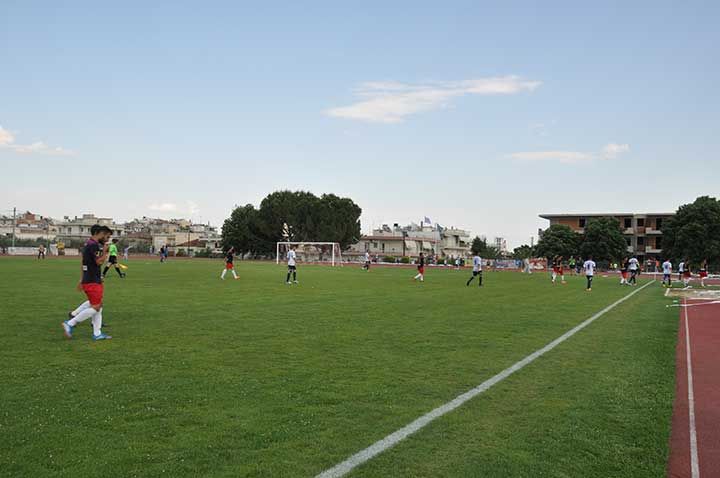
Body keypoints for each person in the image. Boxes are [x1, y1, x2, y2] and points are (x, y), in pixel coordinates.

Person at [62, 224, 113, 341]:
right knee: (96, 307)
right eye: (106, 236)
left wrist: (82, 278)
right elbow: (99, 262)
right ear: (100, 233)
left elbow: (84, 263)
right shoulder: (93, 245)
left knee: (98, 305)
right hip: (92, 281)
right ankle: (70, 323)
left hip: (91, 279)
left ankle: (97, 333)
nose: (107, 239)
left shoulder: (88, 244)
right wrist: (106, 253)